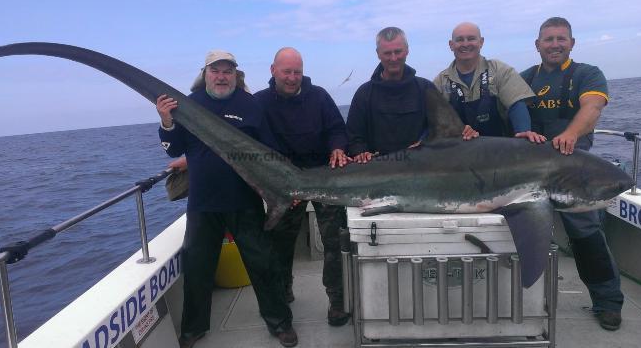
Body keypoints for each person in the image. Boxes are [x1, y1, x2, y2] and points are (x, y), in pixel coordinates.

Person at [156, 50, 298, 347]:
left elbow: (269, 150)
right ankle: (193, 329)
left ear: (236, 75)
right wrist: (167, 121)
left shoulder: (251, 105)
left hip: (244, 200)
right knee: (197, 266)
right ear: (205, 73)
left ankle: (279, 322)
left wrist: (282, 187)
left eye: (227, 71)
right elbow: (173, 149)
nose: (221, 76)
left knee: (263, 264)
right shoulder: (188, 105)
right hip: (203, 203)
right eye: (215, 71)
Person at [520, 17, 624, 331]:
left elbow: (591, 108)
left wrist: (570, 134)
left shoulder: (586, 74)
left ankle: (607, 301)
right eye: (548, 39)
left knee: (587, 235)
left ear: (572, 43)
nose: (554, 45)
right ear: (537, 45)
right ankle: (519, 300)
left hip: (571, 170)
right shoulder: (524, 79)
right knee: (521, 235)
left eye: (561, 39)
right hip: (528, 173)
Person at [253, 47, 351, 327]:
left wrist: (337, 148)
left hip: (324, 180)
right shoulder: (259, 103)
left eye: (297, 71)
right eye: (287, 71)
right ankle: (283, 293)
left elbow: (337, 128)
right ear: (273, 71)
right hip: (284, 184)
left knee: (335, 242)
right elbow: (251, 142)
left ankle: (337, 301)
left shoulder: (319, 96)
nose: (293, 77)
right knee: (280, 245)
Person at [346, 27, 477, 163]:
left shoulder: (425, 88)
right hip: (378, 170)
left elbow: (442, 132)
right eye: (387, 53)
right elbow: (354, 139)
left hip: (421, 166)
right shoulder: (364, 94)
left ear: (407, 50)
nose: (393, 58)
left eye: (398, 52)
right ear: (378, 54)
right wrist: (360, 152)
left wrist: (464, 131)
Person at [434, 22, 545, 142]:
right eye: (460, 40)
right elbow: (431, 120)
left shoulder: (499, 70)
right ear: (451, 45)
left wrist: (523, 132)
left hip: (499, 149)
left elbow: (516, 105)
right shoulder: (440, 82)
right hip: (458, 152)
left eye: (471, 38)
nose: (465, 44)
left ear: (481, 42)